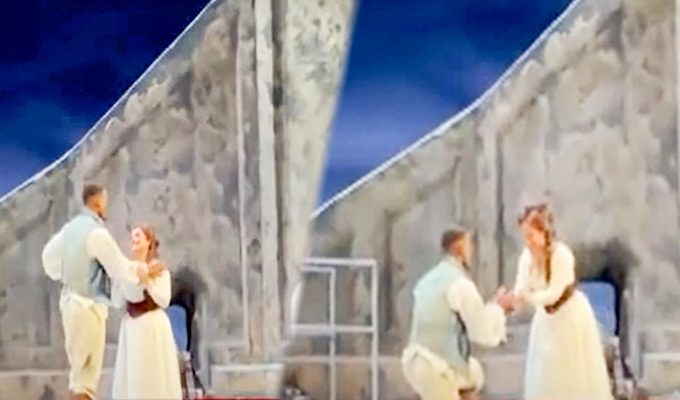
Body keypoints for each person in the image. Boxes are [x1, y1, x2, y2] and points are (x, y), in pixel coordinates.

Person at [41, 183, 157, 400]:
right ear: (96, 201)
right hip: (87, 308)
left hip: (69, 303)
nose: (106, 205)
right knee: (85, 380)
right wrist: (141, 271)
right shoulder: (96, 233)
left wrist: (70, 275)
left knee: (79, 376)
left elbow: (48, 260)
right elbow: (118, 267)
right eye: (104, 200)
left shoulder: (70, 229)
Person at [401, 227, 517, 400]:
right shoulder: (459, 284)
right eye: (469, 245)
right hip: (437, 367)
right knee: (468, 377)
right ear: (460, 247)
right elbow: (481, 332)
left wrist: (493, 307)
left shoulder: (427, 280)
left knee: (473, 374)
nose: (471, 252)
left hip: (416, 360)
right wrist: (500, 308)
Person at [513, 204, 613, 400]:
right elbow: (522, 284)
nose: (528, 242)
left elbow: (554, 293)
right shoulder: (527, 258)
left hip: (569, 316)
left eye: (531, 236)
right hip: (546, 319)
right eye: (525, 237)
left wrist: (528, 298)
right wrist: (515, 298)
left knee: (570, 371)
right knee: (545, 372)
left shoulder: (562, 255)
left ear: (544, 232)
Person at [111, 224, 183, 400]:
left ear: (148, 242)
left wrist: (147, 282)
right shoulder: (126, 269)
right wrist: (117, 281)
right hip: (132, 328)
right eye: (133, 236)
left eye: (138, 236)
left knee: (153, 374)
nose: (134, 239)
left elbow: (164, 299)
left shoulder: (158, 270)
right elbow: (117, 301)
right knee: (134, 376)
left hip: (152, 326)